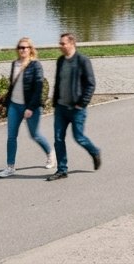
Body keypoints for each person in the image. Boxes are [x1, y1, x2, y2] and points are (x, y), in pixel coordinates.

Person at [0, 36, 55, 178]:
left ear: (30, 49)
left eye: (25, 47)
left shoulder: (36, 65)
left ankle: (50, 153)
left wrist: (30, 108)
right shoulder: (15, 64)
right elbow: (13, 86)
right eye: (20, 47)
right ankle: (10, 167)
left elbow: (38, 88)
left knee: (35, 135)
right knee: (11, 137)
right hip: (14, 105)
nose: (22, 50)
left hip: (30, 107)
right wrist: (8, 103)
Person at [48, 32, 101, 181]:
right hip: (61, 108)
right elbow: (58, 82)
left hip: (77, 109)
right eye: (60, 43)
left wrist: (82, 103)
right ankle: (62, 170)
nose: (60, 46)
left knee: (79, 137)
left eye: (63, 43)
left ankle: (94, 151)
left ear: (72, 43)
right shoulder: (60, 61)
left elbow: (91, 84)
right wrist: (55, 102)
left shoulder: (83, 61)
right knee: (58, 139)